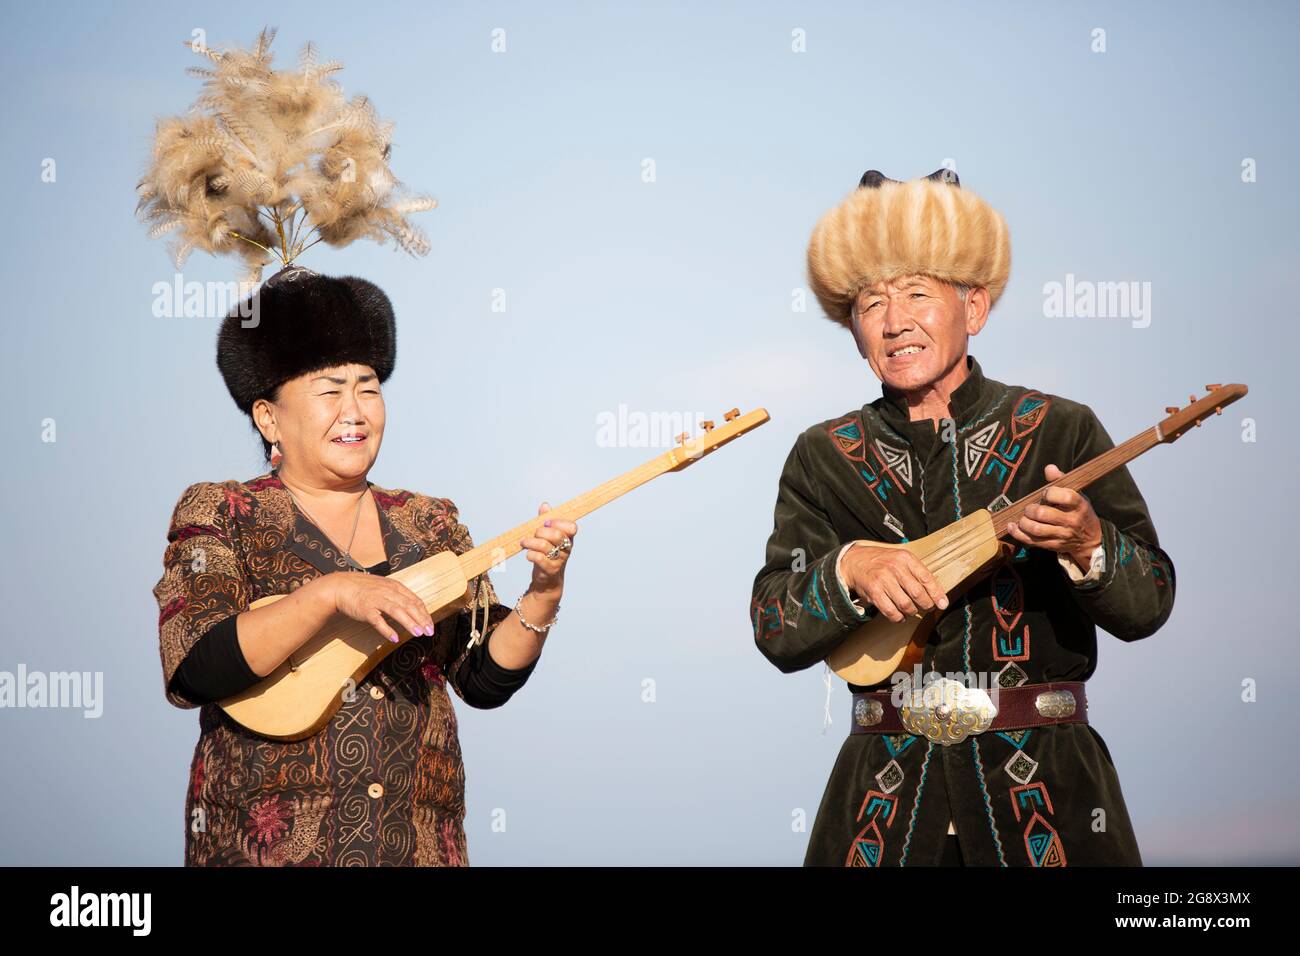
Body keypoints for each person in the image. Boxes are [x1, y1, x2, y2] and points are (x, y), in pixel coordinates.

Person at [751, 169, 1175, 866]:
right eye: (870, 303)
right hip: (878, 814)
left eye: (918, 292)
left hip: (1050, 802)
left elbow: (1150, 601)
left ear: (973, 307)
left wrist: (1091, 544)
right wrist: (849, 569)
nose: (894, 321)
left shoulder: (1060, 430)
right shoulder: (821, 456)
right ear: (854, 331)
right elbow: (774, 625)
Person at [153, 266, 578, 865]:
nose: (355, 411)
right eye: (329, 391)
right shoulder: (224, 513)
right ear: (268, 417)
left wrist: (544, 592)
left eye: (369, 387)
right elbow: (195, 666)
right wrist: (331, 594)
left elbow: (480, 678)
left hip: (416, 846)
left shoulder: (428, 523)